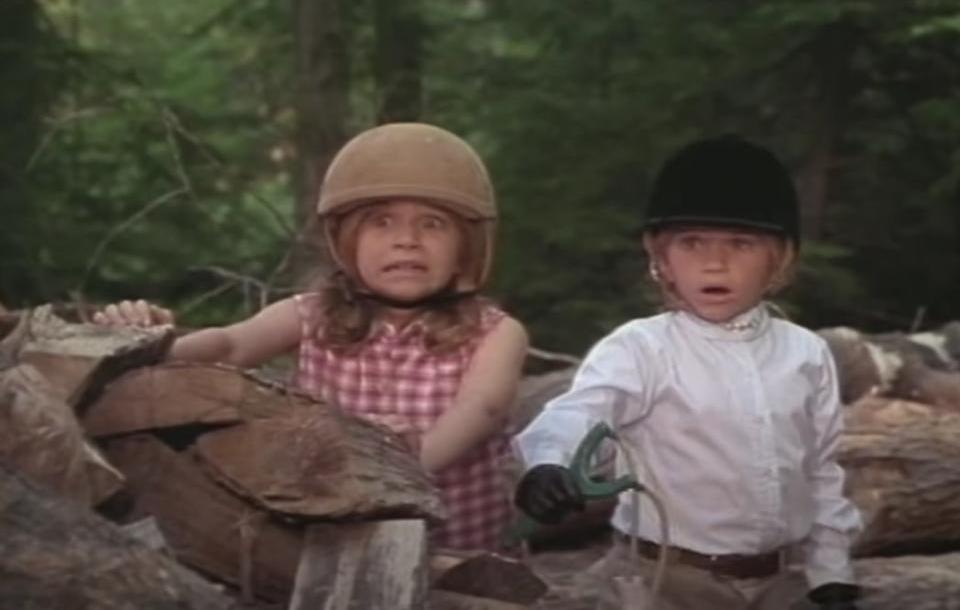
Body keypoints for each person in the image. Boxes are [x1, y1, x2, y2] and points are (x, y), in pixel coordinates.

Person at [95, 123, 529, 551]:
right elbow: (231, 345)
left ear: (466, 249)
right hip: (328, 538)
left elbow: (482, 408)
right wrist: (153, 343)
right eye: (381, 222)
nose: (407, 241)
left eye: (433, 224)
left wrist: (402, 466)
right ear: (345, 240)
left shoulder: (495, 333)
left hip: (456, 550)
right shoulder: (311, 313)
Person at [512, 134, 862, 609]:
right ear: (662, 258)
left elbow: (820, 469)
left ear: (778, 257)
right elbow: (581, 410)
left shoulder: (806, 354)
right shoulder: (641, 348)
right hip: (665, 580)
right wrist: (548, 463)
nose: (714, 262)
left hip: (781, 580)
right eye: (692, 242)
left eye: (740, 243)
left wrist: (830, 569)